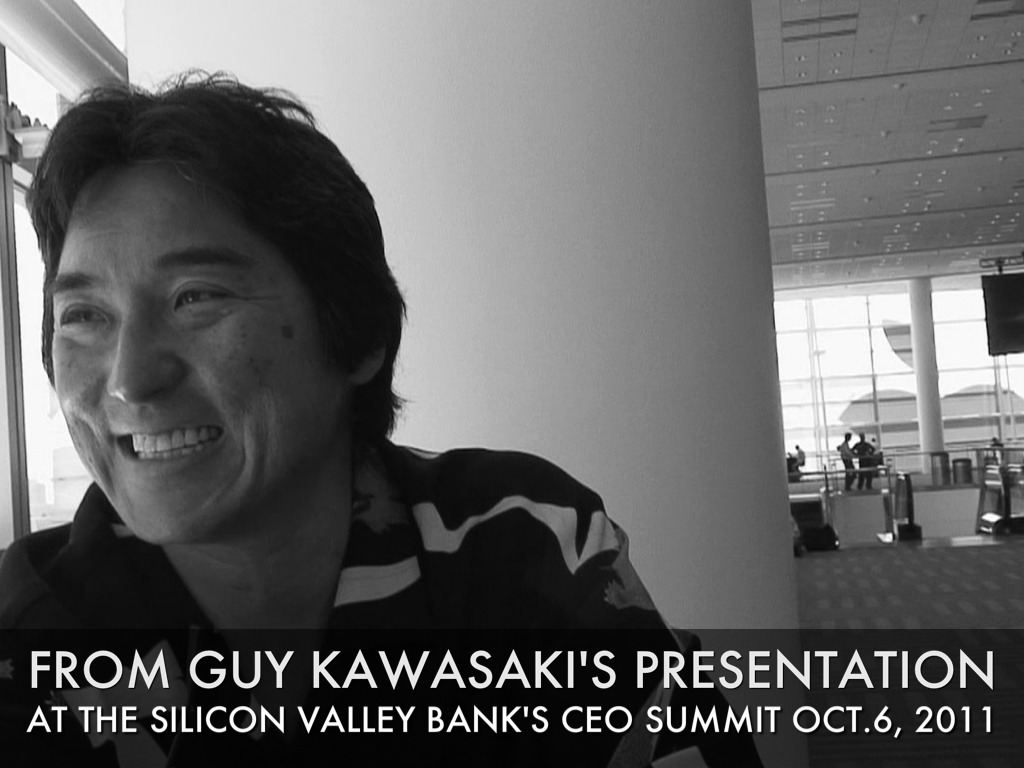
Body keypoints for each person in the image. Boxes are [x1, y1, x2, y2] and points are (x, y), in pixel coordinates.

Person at [0, 74, 761, 767]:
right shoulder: (31, 632)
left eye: (196, 297)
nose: (129, 379)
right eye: (83, 316)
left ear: (357, 334)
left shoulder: (514, 545)